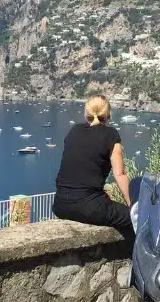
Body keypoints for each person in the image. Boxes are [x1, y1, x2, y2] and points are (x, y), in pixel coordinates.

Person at [52, 95, 134, 241]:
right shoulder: (111, 135)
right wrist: (133, 207)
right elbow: (120, 175)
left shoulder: (74, 130)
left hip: (60, 205)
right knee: (135, 219)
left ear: (86, 113)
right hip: (90, 207)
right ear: (108, 115)